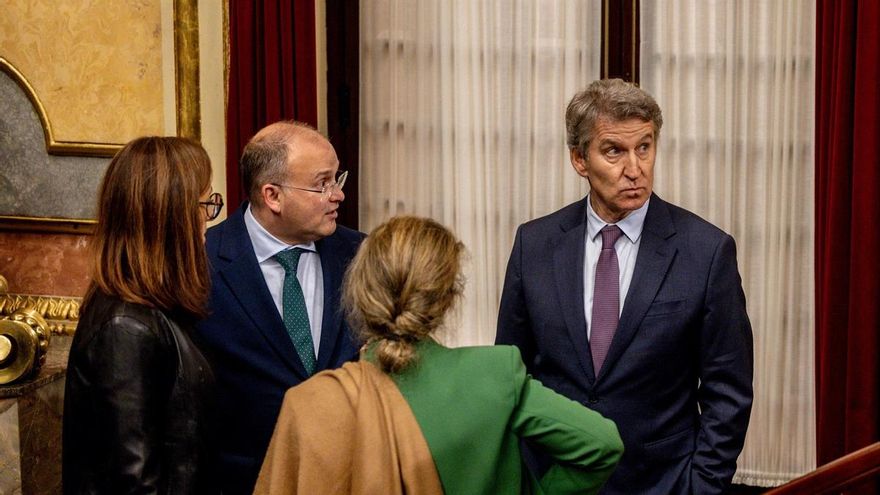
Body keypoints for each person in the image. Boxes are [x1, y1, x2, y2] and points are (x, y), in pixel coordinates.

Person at [496, 79, 754, 494]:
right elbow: (511, 373)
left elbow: (729, 391)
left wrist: (701, 487)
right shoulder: (535, 244)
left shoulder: (705, 251)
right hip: (553, 481)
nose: (635, 168)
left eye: (645, 147)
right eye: (614, 150)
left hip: (661, 483)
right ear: (580, 160)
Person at [254, 216, 624, 495]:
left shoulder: (311, 405)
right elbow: (601, 445)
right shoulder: (494, 375)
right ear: (448, 299)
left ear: (358, 290)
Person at [195, 121, 365, 493]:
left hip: (347, 476)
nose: (337, 195)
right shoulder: (202, 264)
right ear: (272, 195)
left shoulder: (362, 255)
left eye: (338, 179)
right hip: (242, 481)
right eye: (322, 184)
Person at [63, 136, 223, 494]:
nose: (208, 219)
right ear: (171, 216)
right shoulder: (126, 327)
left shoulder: (154, 309)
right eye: (205, 204)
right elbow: (134, 484)